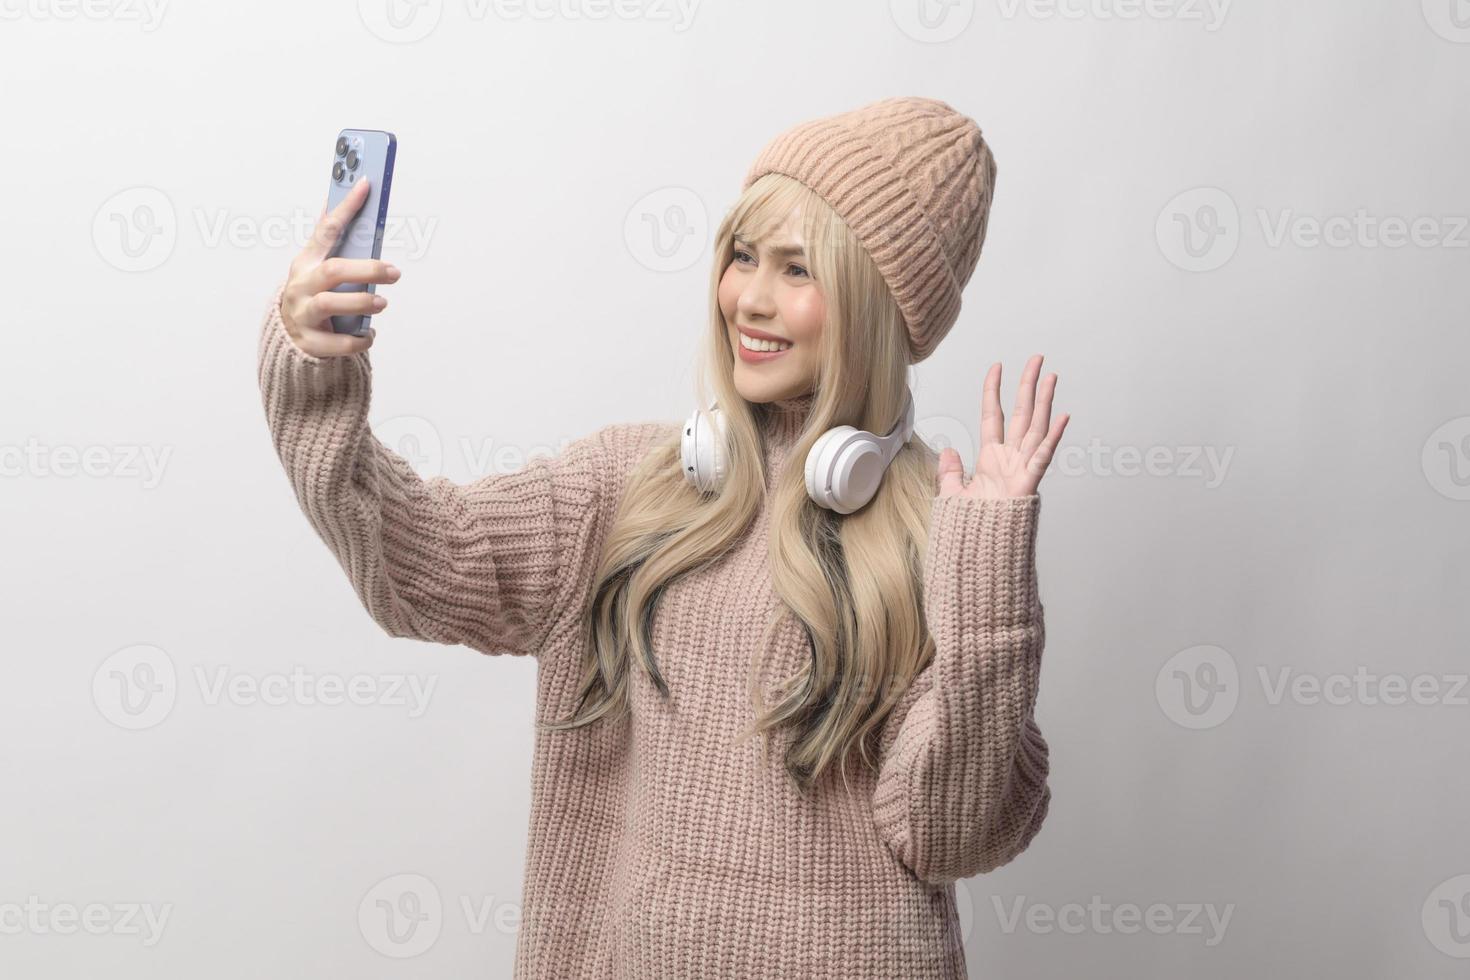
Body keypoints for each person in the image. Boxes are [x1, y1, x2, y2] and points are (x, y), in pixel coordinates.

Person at [256, 95, 1070, 979]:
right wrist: (315, 379)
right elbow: (416, 565)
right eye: (744, 256)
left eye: (798, 271)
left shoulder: (932, 542)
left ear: (875, 310)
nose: (749, 299)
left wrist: (989, 589)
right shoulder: (628, 489)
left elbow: (953, 831)